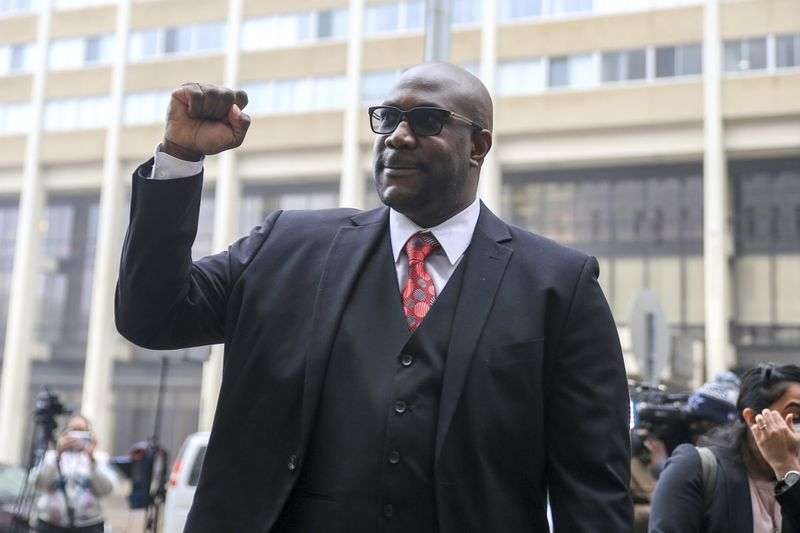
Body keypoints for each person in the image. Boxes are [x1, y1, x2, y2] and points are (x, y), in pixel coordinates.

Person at [115, 62, 632, 532]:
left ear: (479, 146)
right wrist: (181, 156)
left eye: (428, 120)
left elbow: (590, 487)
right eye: (387, 119)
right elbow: (153, 317)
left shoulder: (559, 286)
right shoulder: (285, 247)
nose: (399, 137)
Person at [649, 363, 800, 532]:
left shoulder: (793, 471)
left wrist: (787, 468)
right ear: (752, 419)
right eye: (795, 416)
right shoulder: (693, 469)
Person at [32, 415, 116, 533]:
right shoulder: (51, 457)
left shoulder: (99, 458)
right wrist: (58, 454)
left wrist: (91, 460)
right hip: (51, 524)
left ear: (89, 434)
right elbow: (39, 485)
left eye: (82, 431)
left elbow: (106, 490)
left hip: (89, 525)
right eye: (73, 430)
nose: (77, 436)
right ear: (65, 433)